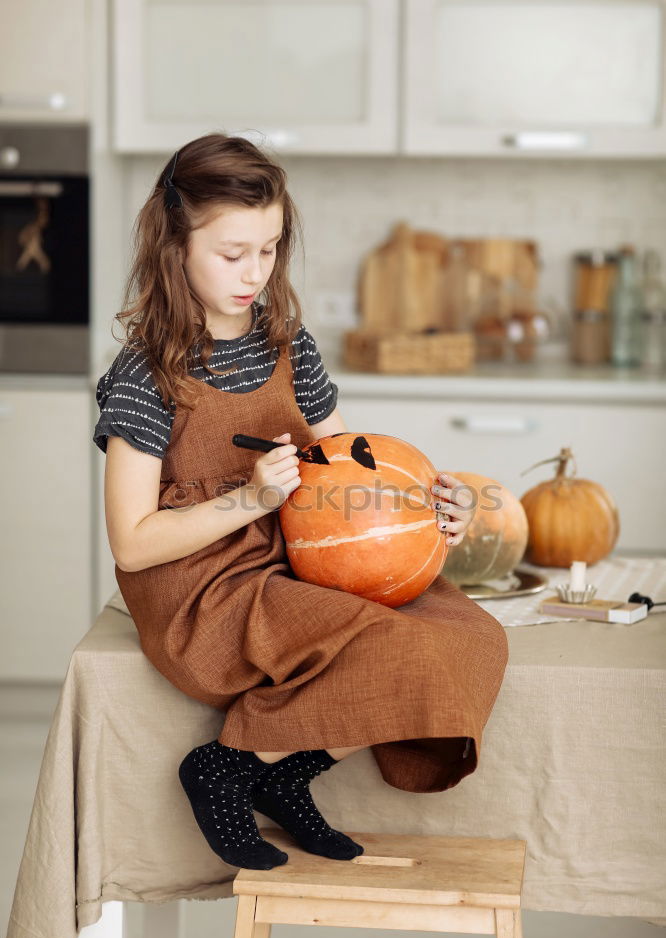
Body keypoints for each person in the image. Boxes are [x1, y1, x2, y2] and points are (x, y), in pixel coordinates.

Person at [93, 132, 509, 872]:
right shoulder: (146, 373)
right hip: (201, 592)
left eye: (271, 248)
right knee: (391, 639)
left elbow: (352, 475)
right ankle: (225, 767)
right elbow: (131, 542)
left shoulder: (290, 343)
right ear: (175, 247)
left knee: (469, 633)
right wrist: (253, 499)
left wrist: (424, 510)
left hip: (291, 560)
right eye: (233, 253)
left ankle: (285, 771)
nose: (256, 271)